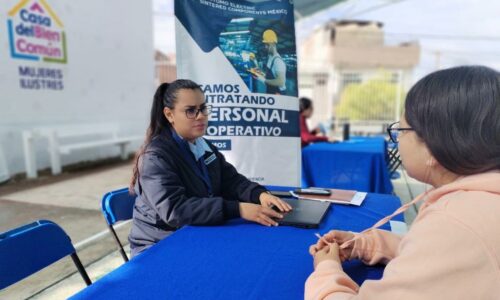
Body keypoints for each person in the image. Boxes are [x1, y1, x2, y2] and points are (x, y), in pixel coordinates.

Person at [306, 66, 500, 299]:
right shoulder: (476, 207)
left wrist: (326, 269)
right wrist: (364, 244)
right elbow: (437, 253)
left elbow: (448, 241)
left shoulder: (454, 221)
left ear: (433, 145)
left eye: (401, 130)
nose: (397, 139)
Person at [128, 79, 292, 256]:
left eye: (203, 108)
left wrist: (259, 194)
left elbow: (230, 180)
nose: (200, 116)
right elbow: (176, 210)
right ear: (169, 115)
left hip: (193, 232)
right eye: (190, 111)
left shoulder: (201, 145)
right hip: (159, 245)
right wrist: (239, 209)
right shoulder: (155, 157)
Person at [252, 29, 287, 95]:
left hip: (278, 93)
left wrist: (263, 80)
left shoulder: (278, 61)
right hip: (271, 91)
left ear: (273, 44)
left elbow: (281, 82)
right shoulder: (270, 57)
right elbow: (270, 75)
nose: (265, 47)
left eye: (267, 45)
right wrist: (259, 72)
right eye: (265, 44)